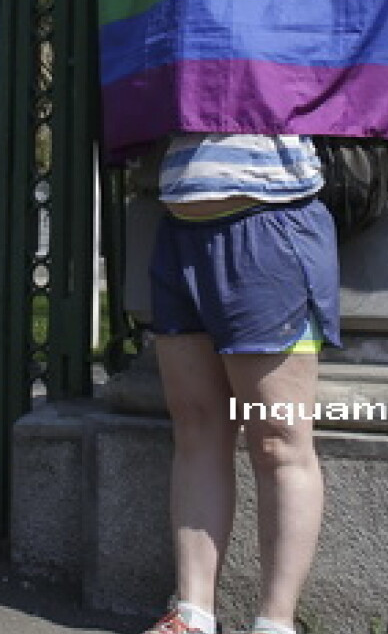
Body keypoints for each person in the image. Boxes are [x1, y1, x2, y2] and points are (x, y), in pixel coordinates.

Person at [142, 132, 338, 634]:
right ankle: (193, 615)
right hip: (180, 224)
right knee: (198, 428)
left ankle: (275, 623)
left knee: (277, 439)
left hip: (269, 219)